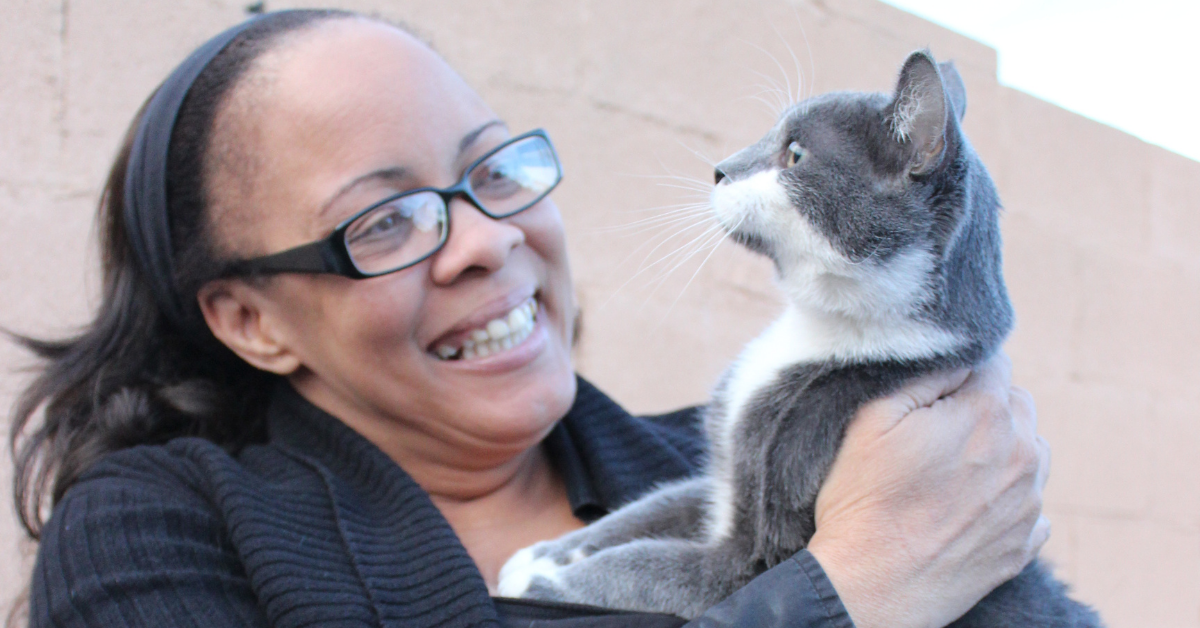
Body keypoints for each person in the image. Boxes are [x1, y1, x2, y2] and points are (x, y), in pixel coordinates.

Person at [7, 9, 1050, 628]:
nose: (485, 239)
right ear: (250, 319)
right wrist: (851, 587)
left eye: (494, 169)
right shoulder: (157, 529)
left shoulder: (736, 467)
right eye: (387, 219)